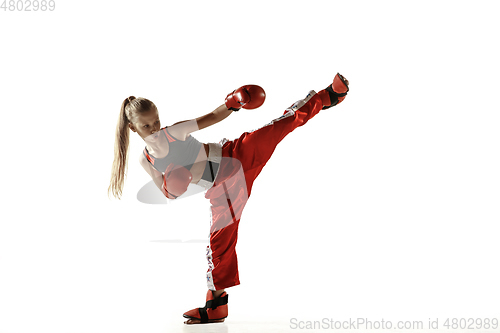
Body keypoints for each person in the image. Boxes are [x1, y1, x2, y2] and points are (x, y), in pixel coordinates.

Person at [108, 73, 350, 324]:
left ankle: (328, 96)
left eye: (156, 121)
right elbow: (167, 192)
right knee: (219, 244)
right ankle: (216, 306)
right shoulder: (146, 160)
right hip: (222, 191)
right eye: (146, 126)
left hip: (235, 155)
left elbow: (211, 118)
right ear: (132, 128)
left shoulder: (173, 132)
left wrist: (233, 103)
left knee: (279, 126)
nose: (154, 128)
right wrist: (175, 184)